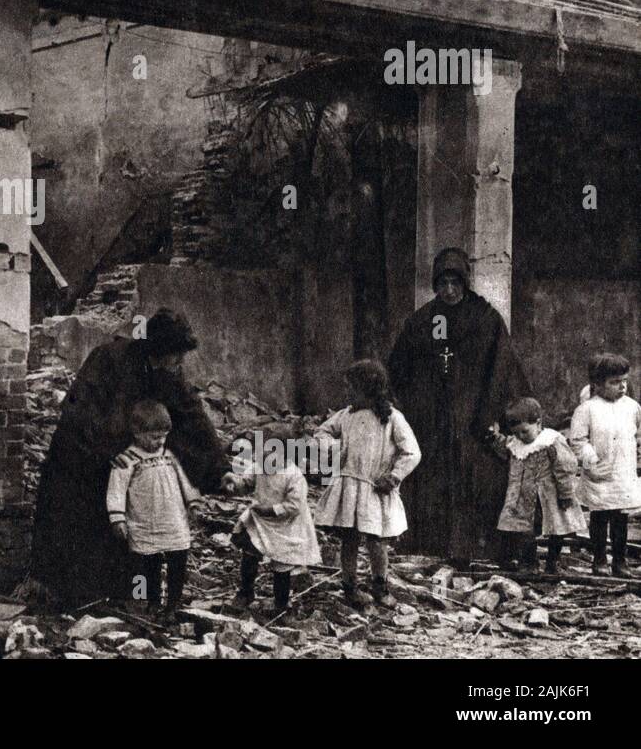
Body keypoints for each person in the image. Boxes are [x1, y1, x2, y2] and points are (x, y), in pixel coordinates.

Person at [30, 308, 228, 610]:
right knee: (80, 527)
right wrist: (109, 454)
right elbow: (79, 413)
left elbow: (191, 416)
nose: (179, 363)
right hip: (81, 457)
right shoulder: (109, 359)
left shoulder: (168, 373)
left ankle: (121, 597)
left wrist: (219, 469)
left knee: (127, 532)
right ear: (160, 350)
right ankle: (70, 598)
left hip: (126, 459)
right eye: (176, 355)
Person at [387, 247, 529, 565]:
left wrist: (494, 415)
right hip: (432, 418)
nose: (449, 291)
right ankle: (428, 545)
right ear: (435, 284)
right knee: (430, 476)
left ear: (465, 283)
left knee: (480, 477)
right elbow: (399, 369)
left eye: (456, 283)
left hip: (476, 415)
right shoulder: (421, 321)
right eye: (443, 283)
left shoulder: (486, 318)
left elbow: (503, 369)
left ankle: (479, 550)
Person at [314, 358, 420, 608]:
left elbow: (412, 452)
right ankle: (350, 588)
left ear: (368, 388)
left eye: (352, 388)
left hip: (375, 489)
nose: (348, 393)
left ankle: (380, 587)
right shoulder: (346, 416)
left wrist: (394, 476)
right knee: (349, 540)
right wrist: (335, 449)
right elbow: (321, 433)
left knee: (377, 541)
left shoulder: (392, 418)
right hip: (349, 487)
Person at [106, 400, 200, 621]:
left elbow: (185, 480)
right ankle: (151, 601)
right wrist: (117, 517)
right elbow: (116, 490)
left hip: (173, 519)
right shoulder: (126, 460)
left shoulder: (170, 455)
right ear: (137, 433)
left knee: (178, 558)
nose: (159, 441)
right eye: (153, 437)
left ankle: (174, 603)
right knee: (148, 564)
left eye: (163, 436)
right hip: (144, 522)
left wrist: (193, 502)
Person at [225, 424, 322, 615]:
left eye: (270, 453)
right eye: (261, 452)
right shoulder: (259, 466)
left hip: (285, 525)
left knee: (282, 564)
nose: (264, 457)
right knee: (250, 553)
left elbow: (294, 506)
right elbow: (246, 482)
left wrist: (271, 509)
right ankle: (245, 592)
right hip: (260, 520)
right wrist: (234, 484)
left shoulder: (293, 476)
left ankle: (280, 603)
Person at [486, 397, 584, 576]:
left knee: (557, 528)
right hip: (523, 497)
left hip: (549, 496)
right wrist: (494, 437)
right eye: (516, 433)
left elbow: (565, 468)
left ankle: (553, 561)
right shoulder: (515, 443)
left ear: (538, 423)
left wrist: (566, 494)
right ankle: (529, 562)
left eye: (524, 432)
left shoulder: (551, 441)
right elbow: (504, 446)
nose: (520, 437)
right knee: (524, 530)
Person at [568, 354, 641, 577]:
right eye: (614, 382)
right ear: (597, 385)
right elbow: (578, 440)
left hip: (622, 472)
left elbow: (637, 432)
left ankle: (620, 562)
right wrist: (591, 461)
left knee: (620, 518)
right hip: (598, 473)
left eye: (624, 381)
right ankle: (599, 559)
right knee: (600, 516)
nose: (622, 387)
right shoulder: (587, 409)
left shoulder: (632, 407)